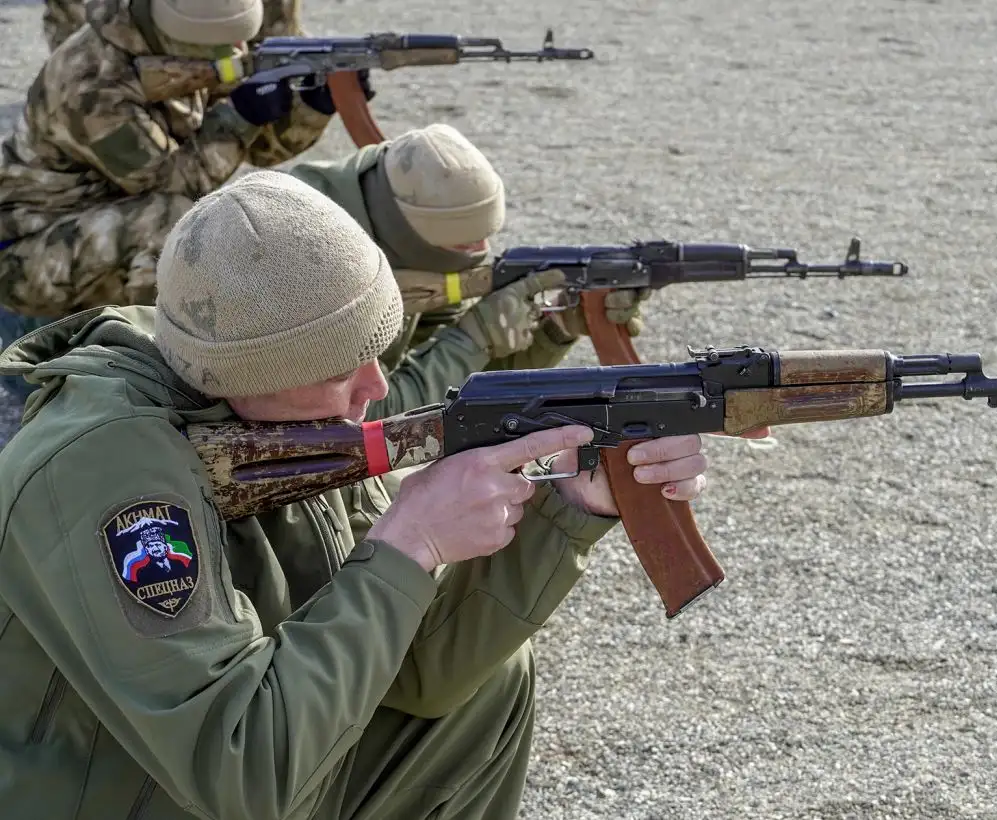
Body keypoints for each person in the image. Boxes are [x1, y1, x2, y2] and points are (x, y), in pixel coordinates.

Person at [0, 170, 710, 819]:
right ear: (256, 369)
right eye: (345, 364)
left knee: (485, 692)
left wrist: (575, 504)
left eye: (380, 349)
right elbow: (242, 772)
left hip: (198, 774)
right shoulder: (104, 471)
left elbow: (423, 675)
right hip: (114, 792)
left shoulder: (275, 418)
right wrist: (410, 545)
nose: (376, 388)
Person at [0, 0, 348, 397]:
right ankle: (166, 377)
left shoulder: (178, 44)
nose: (235, 54)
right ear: (178, 37)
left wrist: (312, 107)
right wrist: (240, 116)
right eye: (222, 51)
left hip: (101, 215)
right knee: (182, 224)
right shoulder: (90, 86)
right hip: (25, 253)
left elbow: (259, 152)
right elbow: (174, 185)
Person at [283, 122, 651, 385]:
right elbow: (368, 415)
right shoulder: (306, 259)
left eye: (484, 237)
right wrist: (473, 338)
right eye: (463, 242)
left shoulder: (417, 254)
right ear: (410, 231)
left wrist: (557, 328)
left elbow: (456, 384)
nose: (479, 254)